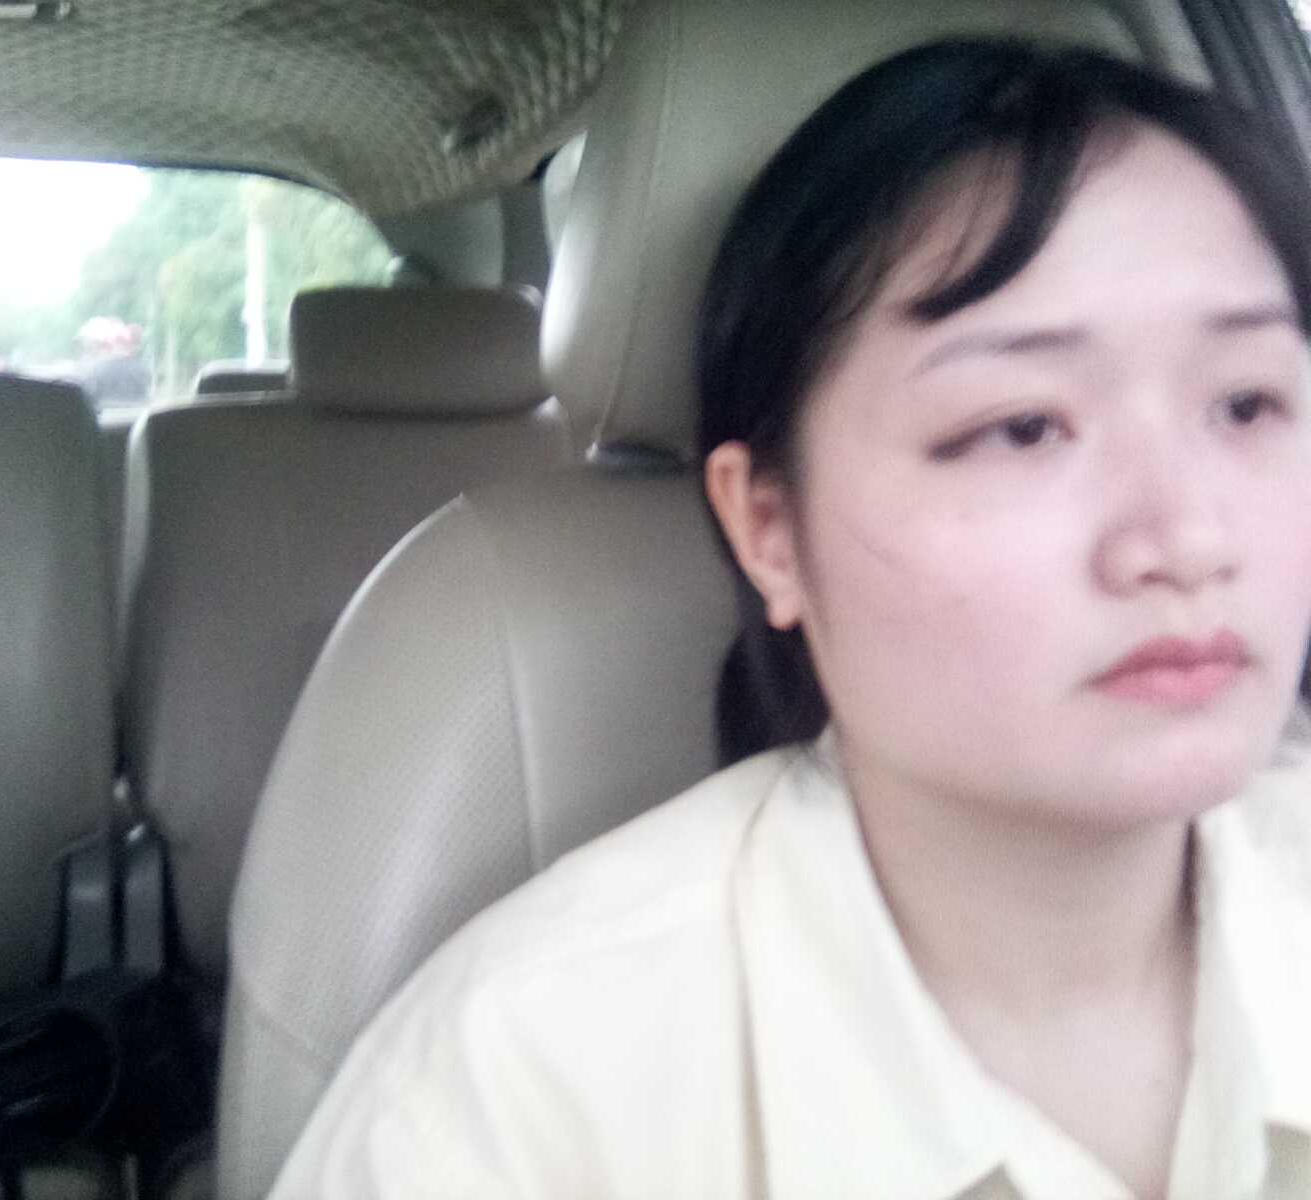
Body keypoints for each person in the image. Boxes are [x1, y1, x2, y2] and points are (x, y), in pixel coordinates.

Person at [266, 38, 1311, 1199]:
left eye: (1247, 404)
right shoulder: (500, 1115)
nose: (1189, 538)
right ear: (768, 528)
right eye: (1020, 428)